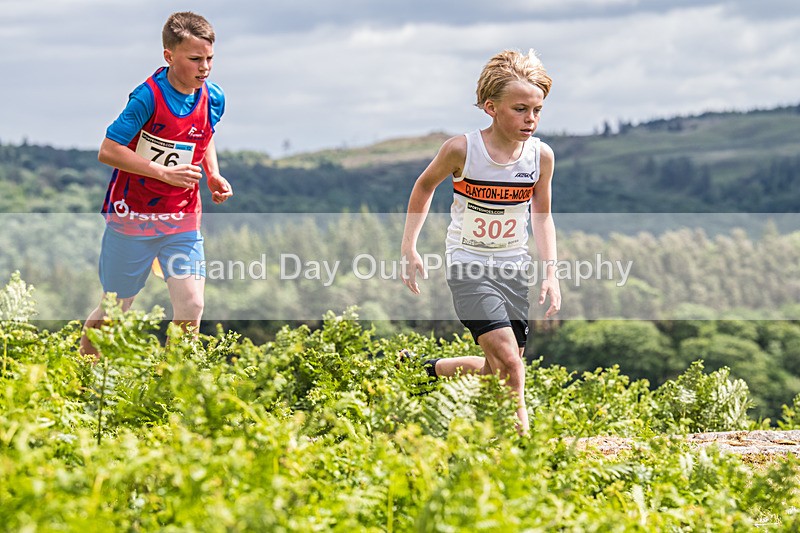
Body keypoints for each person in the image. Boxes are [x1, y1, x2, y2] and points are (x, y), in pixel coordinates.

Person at [400, 49, 561, 433]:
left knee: (497, 372)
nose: (531, 119)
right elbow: (423, 187)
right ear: (491, 107)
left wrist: (550, 272)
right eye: (520, 109)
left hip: (513, 267)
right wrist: (409, 246)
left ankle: (425, 371)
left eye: (537, 110)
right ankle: (523, 451)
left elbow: (542, 215)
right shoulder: (462, 149)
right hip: (468, 265)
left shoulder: (541, 157)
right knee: (510, 364)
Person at [80, 11, 232, 357]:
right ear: (169, 56)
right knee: (116, 310)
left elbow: (202, 137)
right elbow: (109, 150)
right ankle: (81, 381)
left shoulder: (214, 98)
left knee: (192, 305)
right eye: (195, 59)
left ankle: (173, 388)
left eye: (209, 58)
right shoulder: (147, 98)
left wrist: (212, 174)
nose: (204, 67)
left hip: (182, 218)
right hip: (132, 217)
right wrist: (164, 173)